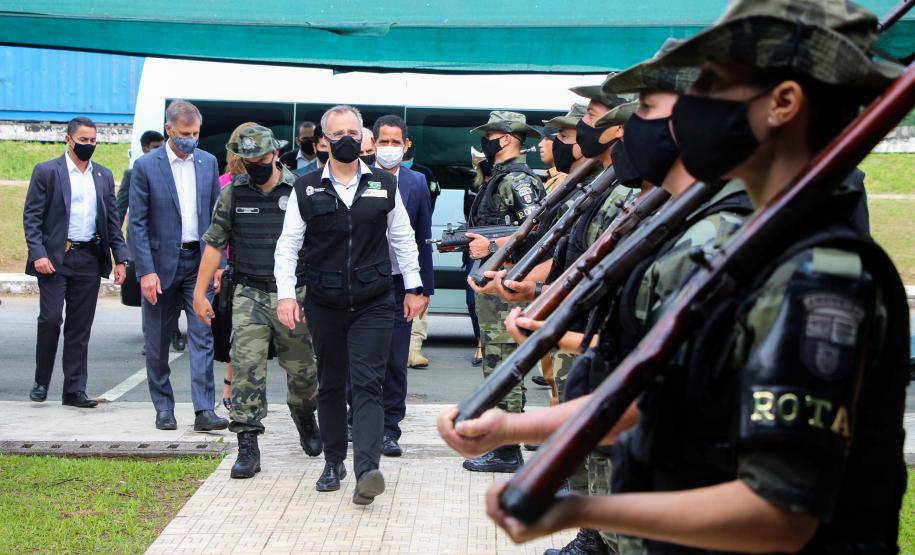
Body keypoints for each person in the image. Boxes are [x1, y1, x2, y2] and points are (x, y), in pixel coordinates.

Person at [447, 1, 911, 551]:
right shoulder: (746, 243)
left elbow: (779, 514)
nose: (691, 107)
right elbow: (661, 394)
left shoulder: (817, 274)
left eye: (711, 85)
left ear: (784, 103)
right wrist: (509, 428)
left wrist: (580, 508)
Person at [275, 104, 424, 505]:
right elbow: (288, 245)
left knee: (368, 383)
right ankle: (333, 461)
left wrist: (414, 287)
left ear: (363, 138)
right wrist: (286, 293)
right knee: (330, 383)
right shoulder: (305, 188)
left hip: (374, 300)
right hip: (324, 302)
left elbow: (403, 239)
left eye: (353, 133)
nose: (346, 140)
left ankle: (366, 471)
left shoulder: (383, 185)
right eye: (338, 134)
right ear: (324, 141)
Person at [193, 125, 321, 478]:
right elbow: (215, 244)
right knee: (246, 370)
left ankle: (304, 414)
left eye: (261, 159)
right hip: (248, 293)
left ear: (276, 154)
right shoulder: (232, 193)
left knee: (303, 371)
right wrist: (199, 292)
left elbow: (319, 244)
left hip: (294, 294)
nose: (255, 166)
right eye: (248, 161)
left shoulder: (300, 190)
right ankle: (247, 444)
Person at [128, 99, 228, 431]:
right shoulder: (146, 166)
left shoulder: (208, 162)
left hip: (199, 263)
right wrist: (145, 271)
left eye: (196, 133)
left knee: (203, 336)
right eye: (185, 134)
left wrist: (219, 262)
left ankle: (204, 410)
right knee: (157, 341)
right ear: (169, 130)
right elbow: (137, 223)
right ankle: (164, 407)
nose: (191, 139)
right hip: (160, 266)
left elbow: (217, 217)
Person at [23, 116, 129, 407]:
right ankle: (41, 381)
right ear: (68, 139)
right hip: (55, 258)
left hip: (89, 258)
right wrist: (38, 253)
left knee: (80, 327)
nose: (89, 145)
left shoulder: (103, 175)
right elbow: (32, 217)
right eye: (83, 140)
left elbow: (112, 222)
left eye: (93, 140)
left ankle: (74, 389)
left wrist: (121, 258)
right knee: (50, 320)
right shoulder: (47, 171)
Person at [461, 111, 546, 473]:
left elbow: (540, 232)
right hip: (497, 280)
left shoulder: (518, 181)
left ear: (509, 138)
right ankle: (504, 443)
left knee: (503, 361)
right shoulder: (498, 178)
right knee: (498, 361)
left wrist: (493, 248)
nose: (486, 141)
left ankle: (507, 449)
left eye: (492, 134)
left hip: (507, 281)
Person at [371, 114, 435, 457]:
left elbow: (424, 235)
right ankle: (357, 418)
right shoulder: (359, 176)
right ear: (373, 143)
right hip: (362, 281)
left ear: (406, 145)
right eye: (384, 141)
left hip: (400, 284)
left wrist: (423, 288)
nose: (389, 147)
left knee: (396, 359)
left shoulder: (417, 182)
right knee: (360, 356)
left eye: (396, 142)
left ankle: (390, 427)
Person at [215, 121, 259, 409]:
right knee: (236, 333)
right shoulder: (224, 183)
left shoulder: (276, 181)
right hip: (233, 270)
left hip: (265, 268)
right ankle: (230, 386)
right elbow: (215, 233)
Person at [117, 130, 164, 225]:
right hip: (139, 230)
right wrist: (114, 232)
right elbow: (120, 207)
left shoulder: (171, 171)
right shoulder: (132, 175)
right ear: (145, 149)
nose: (161, 151)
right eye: (156, 147)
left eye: (163, 147)